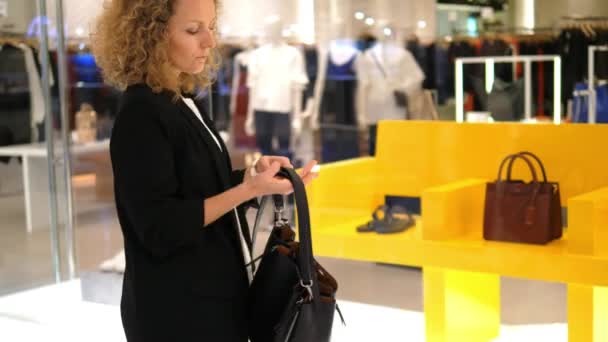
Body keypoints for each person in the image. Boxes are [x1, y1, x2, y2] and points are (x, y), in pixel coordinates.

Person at [91, 0, 318, 341]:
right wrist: (248, 190)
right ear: (150, 36)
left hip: (211, 298)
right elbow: (160, 227)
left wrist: (253, 178)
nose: (209, 42)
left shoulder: (181, 100)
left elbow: (201, 189)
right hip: (177, 312)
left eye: (211, 27)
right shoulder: (142, 114)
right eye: (193, 30)